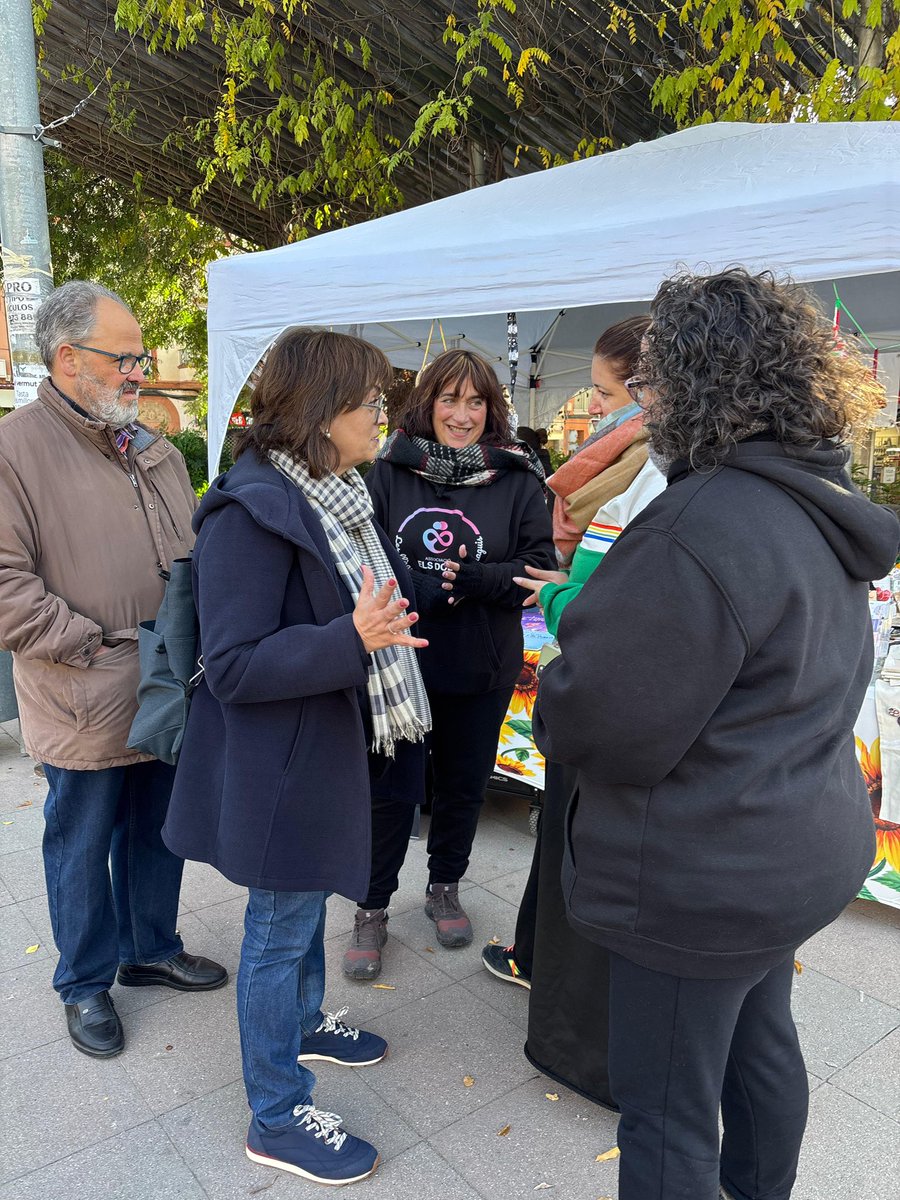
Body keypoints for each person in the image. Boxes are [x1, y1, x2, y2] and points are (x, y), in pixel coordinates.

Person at [533, 267, 899, 1200]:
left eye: (651, 382)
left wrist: (559, 689)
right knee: (759, 1044)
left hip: (703, 879)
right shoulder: (811, 501)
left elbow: (600, 725)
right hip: (787, 854)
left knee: (668, 1115)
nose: (644, 405)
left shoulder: (698, 526)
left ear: (695, 382)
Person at [162, 328, 430, 1186]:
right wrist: (351, 639)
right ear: (322, 414)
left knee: (305, 903)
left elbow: (350, 602)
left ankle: (308, 1021)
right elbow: (234, 666)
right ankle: (275, 1115)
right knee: (277, 932)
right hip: (279, 763)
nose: (380, 419)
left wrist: (371, 629)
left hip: (321, 744)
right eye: (368, 404)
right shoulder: (249, 509)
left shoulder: (333, 493)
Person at [0, 281, 226, 1060]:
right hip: (83, 690)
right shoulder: (14, 448)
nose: (140, 372)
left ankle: (150, 948)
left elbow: (194, 544)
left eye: (141, 358)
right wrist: (90, 644)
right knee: (81, 836)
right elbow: (5, 584)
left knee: (159, 831)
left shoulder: (151, 444)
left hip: (168, 686)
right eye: (124, 357)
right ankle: (85, 982)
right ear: (68, 358)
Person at [480, 316, 665, 1107]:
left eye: (607, 392)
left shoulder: (660, 477)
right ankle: (538, 961)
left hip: (610, 709)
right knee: (564, 850)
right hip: (600, 700)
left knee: (586, 865)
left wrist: (557, 595)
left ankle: (589, 1041)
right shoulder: (644, 467)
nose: (596, 410)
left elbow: (617, 609)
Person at [342, 349, 555, 978]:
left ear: (492, 410)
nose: (462, 415)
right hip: (398, 663)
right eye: (449, 400)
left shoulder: (520, 480)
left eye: (476, 402)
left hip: (480, 663)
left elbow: (540, 567)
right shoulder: (387, 472)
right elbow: (360, 553)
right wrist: (414, 584)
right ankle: (371, 906)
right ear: (427, 403)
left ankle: (444, 887)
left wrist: (482, 578)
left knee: (464, 785)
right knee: (387, 792)